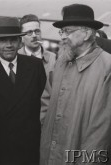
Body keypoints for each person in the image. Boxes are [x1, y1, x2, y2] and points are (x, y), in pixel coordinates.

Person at [40, 4, 111, 165]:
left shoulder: (107, 67)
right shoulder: (60, 62)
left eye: (67, 31)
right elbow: (46, 105)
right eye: (62, 31)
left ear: (86, 33)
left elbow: (100, 134)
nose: (62, 36)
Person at [0, 17, 46, 165]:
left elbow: (44, 104)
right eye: (3, 40)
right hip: (0, 151)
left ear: (20, 42)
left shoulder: (35, 66)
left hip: (31, 148)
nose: (8, 45)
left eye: (13, 40)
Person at [18, 14, 57, 124]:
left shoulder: (53, 59)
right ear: (21, 37)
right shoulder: (16, 59)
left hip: (48, 122)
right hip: (23, 123)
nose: (34, 35)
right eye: (29, 32)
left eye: (37, 31)